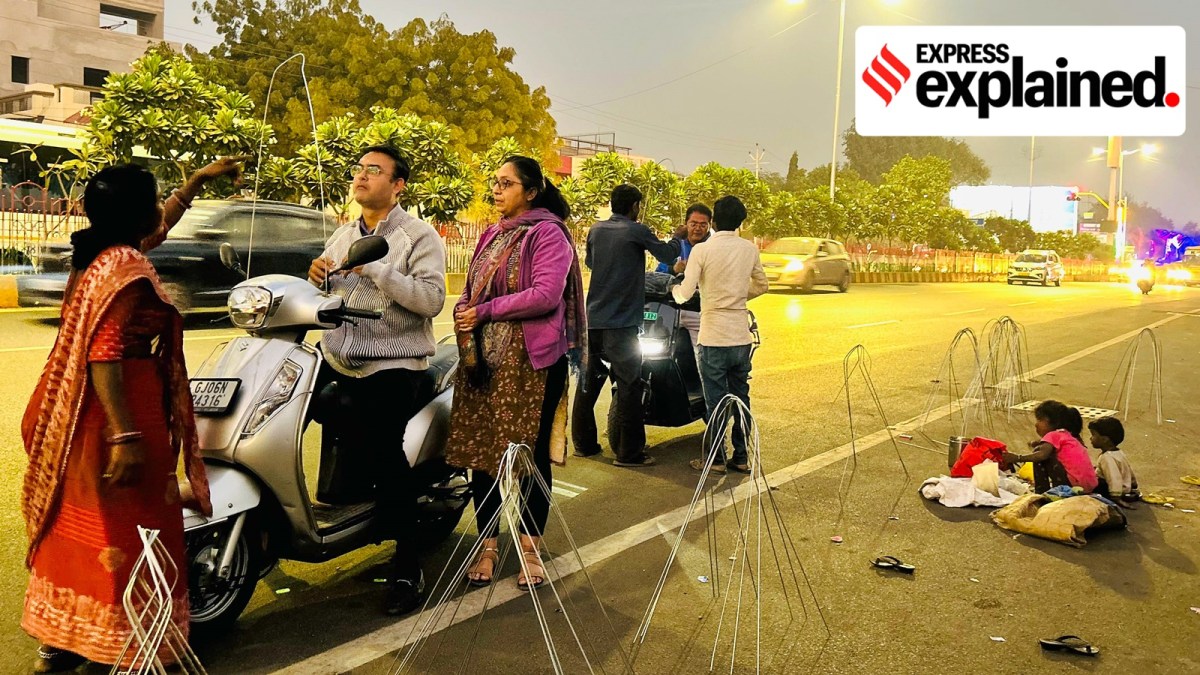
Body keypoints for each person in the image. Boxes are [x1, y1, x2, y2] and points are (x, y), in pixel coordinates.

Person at [21, 158, 243, 672]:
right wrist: (125, 436)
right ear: (134, 213)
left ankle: (64, 637)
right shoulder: (126, 270)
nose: (159, 207)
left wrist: (196, 184)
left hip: (75, 411)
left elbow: (158, 225)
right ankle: (119, 643)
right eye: (153, 197)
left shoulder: (103, 252)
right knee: (128, 529)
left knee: (80, 523)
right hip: (115, 411)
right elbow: (106, 353)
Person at [307, 144, 447, 616]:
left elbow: (430, 300)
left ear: (398, 184)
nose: (363, 176)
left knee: (387, 453)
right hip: (339, 355)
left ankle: (408, 564)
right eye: (360, 169)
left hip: (394, 363)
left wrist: (377, 269)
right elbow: (327, 291)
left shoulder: (418, 235)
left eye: (375, 170)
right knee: (283, 405)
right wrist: (318, 275)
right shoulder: (344, 233)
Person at [447, 156, 586, 590]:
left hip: (533, 366)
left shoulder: (549, 234)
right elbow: (469, 289)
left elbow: (545, 295)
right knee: (484, 456)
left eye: (506, 183)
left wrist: (484, 310)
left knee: (528, 456)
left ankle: (529, 550)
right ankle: (487, 546)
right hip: (484, 364)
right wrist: (464, 311)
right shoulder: (491, 234)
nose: (496, 189)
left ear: (530, 191)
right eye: (495, 182)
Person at [572, 184, 679, 467]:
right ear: (635, 206)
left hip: (593, 320)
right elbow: (667, 256)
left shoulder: (596, 230)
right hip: (621, 324)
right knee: (630, 385)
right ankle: (629, 453)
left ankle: (584, 444)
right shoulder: (636, 230)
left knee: (588, 383)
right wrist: (677, 238)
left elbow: (592, 262)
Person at [671, 195, 768, 474]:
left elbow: (685, 293)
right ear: (740, 222)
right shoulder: (748, 249)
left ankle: (715, 459)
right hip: (740, 336)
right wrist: (738, 296)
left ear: (713, 221)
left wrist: (676, 293)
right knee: (741, 398)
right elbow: (762, 285)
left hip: (712, 337)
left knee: (715, 402)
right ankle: (741, 456)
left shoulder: (702, 251)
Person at [1002, 400, 1098, 494]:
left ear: (1053, 422)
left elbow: (1042, 455)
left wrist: (1018, 458)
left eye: (1040, 420)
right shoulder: (1067, 435)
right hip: (1088, 485)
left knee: (1039, 458)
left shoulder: (1053, 435)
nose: (1036, 424)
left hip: (1074, 485)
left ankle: (1041, 492)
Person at [656, 203, 712, 361]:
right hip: (672, 308)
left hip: (700, 310)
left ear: (709, 226)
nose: (697, 228)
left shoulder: (712, 247)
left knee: (704, 359)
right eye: (693, 224)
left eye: (703, 225)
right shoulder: (675, 246)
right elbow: (658, 274)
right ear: (686, 224)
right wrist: (673, 269)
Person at [1089, 416, 1140, 501]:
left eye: (1093, 435)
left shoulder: (1106, 458)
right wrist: (1133, 483)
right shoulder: (1119, 453)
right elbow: (1127, 469)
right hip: (1125, 487)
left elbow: (1114, 477)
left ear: (1104, 439)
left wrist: (1116, 497)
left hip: (1114, 490)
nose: (1091, 438)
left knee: (1088, 482)